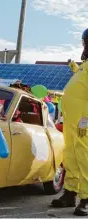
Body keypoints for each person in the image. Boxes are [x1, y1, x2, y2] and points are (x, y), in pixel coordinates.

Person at [51, 28, 88, 216]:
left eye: (84, 42)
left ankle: (86, 199)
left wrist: (86, 120)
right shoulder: (85, 66)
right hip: (72, 122)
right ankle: (70, 193)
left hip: (84, 124)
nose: (83, 46)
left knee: (85, 158)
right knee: (71, 157)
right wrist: (73, 66)